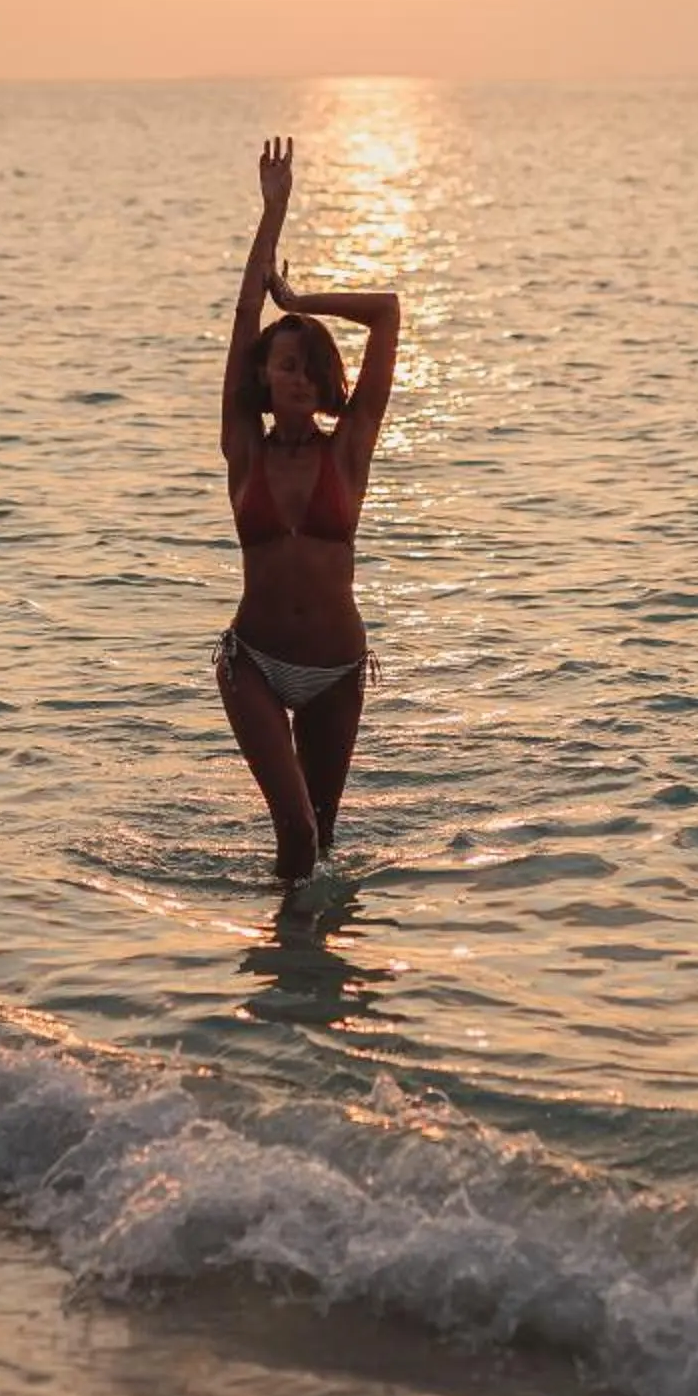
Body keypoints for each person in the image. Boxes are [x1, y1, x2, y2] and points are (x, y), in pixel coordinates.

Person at [216, 136, 399, 890]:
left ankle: (309, 983)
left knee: (318, 844)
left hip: (335, 670)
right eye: (281, 364)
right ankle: (273, 981)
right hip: (254, 663)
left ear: (322, 378)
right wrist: (273, 212)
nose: (293, 376)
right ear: (264, 376)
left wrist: (300, 302)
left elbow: (387, 314)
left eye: (305, 366)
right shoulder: (243, 449)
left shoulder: (348, 448)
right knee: (292, 831)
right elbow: (241, 317)